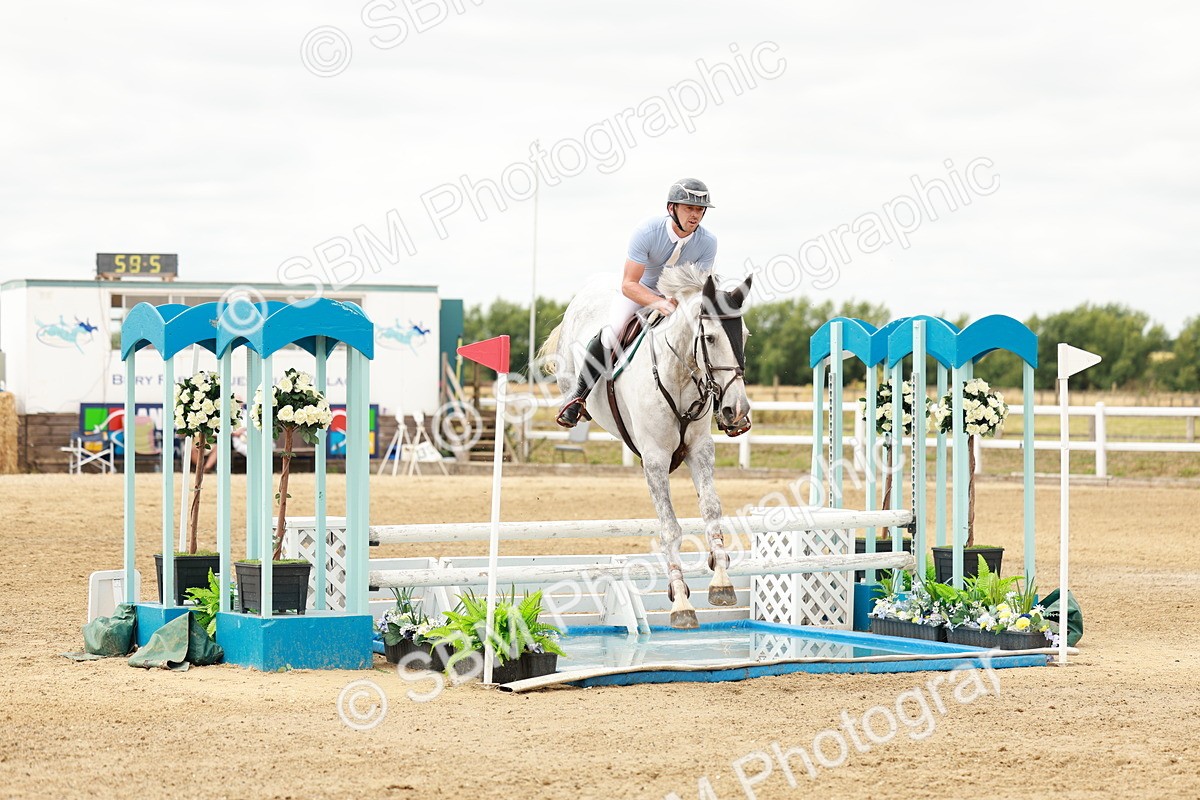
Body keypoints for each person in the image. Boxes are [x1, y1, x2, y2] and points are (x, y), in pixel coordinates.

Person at [556, 177, 718, 428]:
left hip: (679, 301)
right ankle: (578, 397)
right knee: (611, 335)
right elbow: (628, 284)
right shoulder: (647, 232)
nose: (695, 215)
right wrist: (658, 303)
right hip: (639, 292)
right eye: (689, 208)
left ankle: (720, 404)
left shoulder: (708, 242)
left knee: (708, 337)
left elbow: (700, 289)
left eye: (699, 209)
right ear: (671, 208)